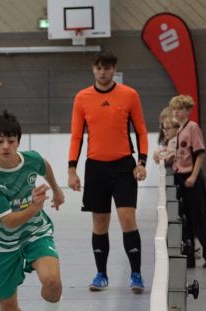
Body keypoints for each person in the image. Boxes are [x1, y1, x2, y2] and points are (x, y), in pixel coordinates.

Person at [0, 111, 73, 311]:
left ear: (18, 141)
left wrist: (57, 191)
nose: (6, 146)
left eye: (11, 140)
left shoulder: (30, 160)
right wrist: (34, 207)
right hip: (4, 242)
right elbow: (9, 221)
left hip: (35, 232)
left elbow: (45, 166)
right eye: (0, 141)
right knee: (8, 310)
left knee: (52, 281)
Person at [67, 50, 149, 293]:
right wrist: (72, 170)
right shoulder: (82, 98)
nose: (103, 72)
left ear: (114, 69)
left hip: (123, 167)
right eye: (99, 67)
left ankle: (136, 274)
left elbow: (141, 130)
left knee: (127, 218)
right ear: (93, 69)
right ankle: (101, 274)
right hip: (95, 168)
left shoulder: (129, 95)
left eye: (107, 67)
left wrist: (142, 162)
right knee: (100, 222)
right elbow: (76, 136)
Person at [170, 95, 206, 269]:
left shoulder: (193, 127)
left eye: (179, 109)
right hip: (180, 177)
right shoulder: (178, 129)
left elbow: (200, 153)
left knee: (200, 216)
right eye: (174, 109)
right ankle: (189, 256)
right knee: (186, 219)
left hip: (192, 177)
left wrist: (193, 175)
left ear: (187, 110)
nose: (176, 112)